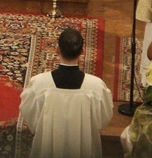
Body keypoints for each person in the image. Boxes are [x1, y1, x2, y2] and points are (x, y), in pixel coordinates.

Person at [19, 27, 112, 158]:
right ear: (82, 51)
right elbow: (102, 119)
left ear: (57, 50)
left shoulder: (39, 83)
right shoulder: (96, 86)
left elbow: (30, 115)